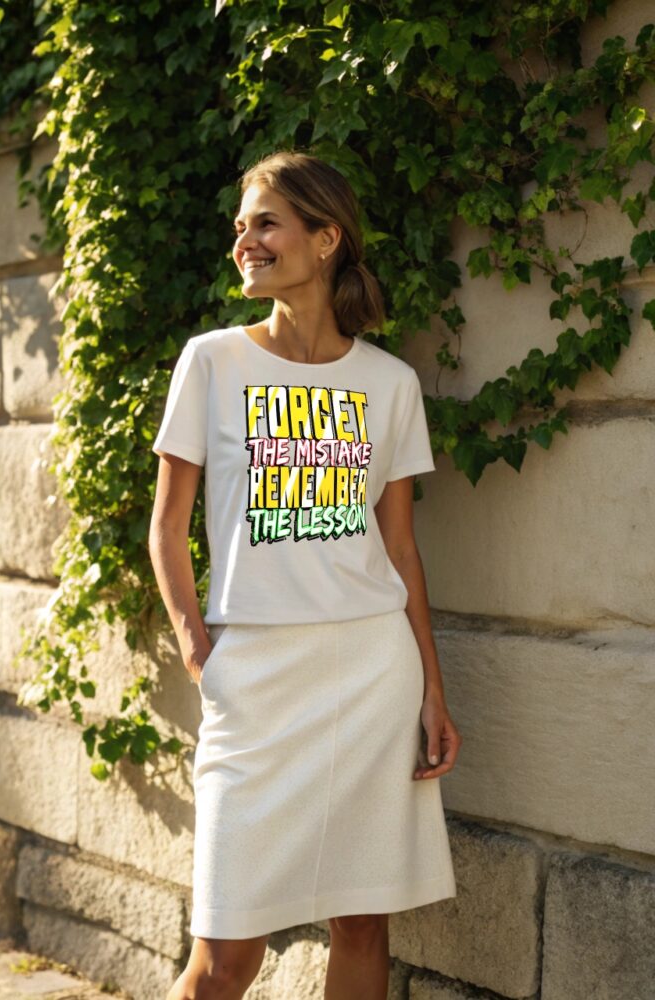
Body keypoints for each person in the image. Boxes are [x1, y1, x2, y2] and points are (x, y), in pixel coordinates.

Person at [149, 150, 462, 1000]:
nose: (243, 241)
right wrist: (197, 647)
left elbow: (400, 550)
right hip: (253, 679)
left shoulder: (389, 384)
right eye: (240, 227)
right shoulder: (210, 362)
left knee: (361, 922)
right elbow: (167, 527)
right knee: (224, 955)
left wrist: (431, 690)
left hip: (370, 673)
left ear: (325, 239)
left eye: (264, 223)